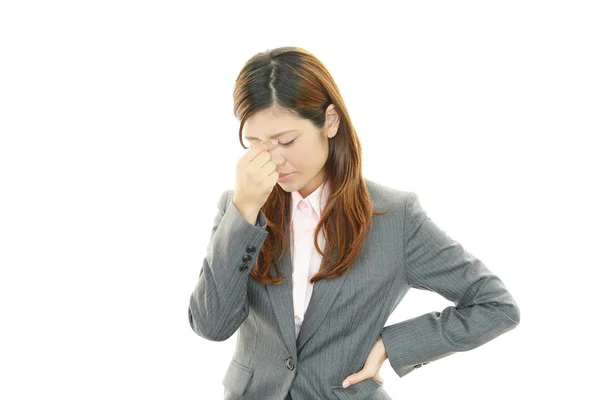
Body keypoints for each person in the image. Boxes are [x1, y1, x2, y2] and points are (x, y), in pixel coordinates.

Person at [188, 46, 520, 400]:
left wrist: (391, 345)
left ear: (330, 122)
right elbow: (212, 325)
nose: (273, 158)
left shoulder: (395, 216)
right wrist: (244, 212)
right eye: (254, 143)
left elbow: (495, 305)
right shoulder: (239, 208)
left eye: (286, 140)